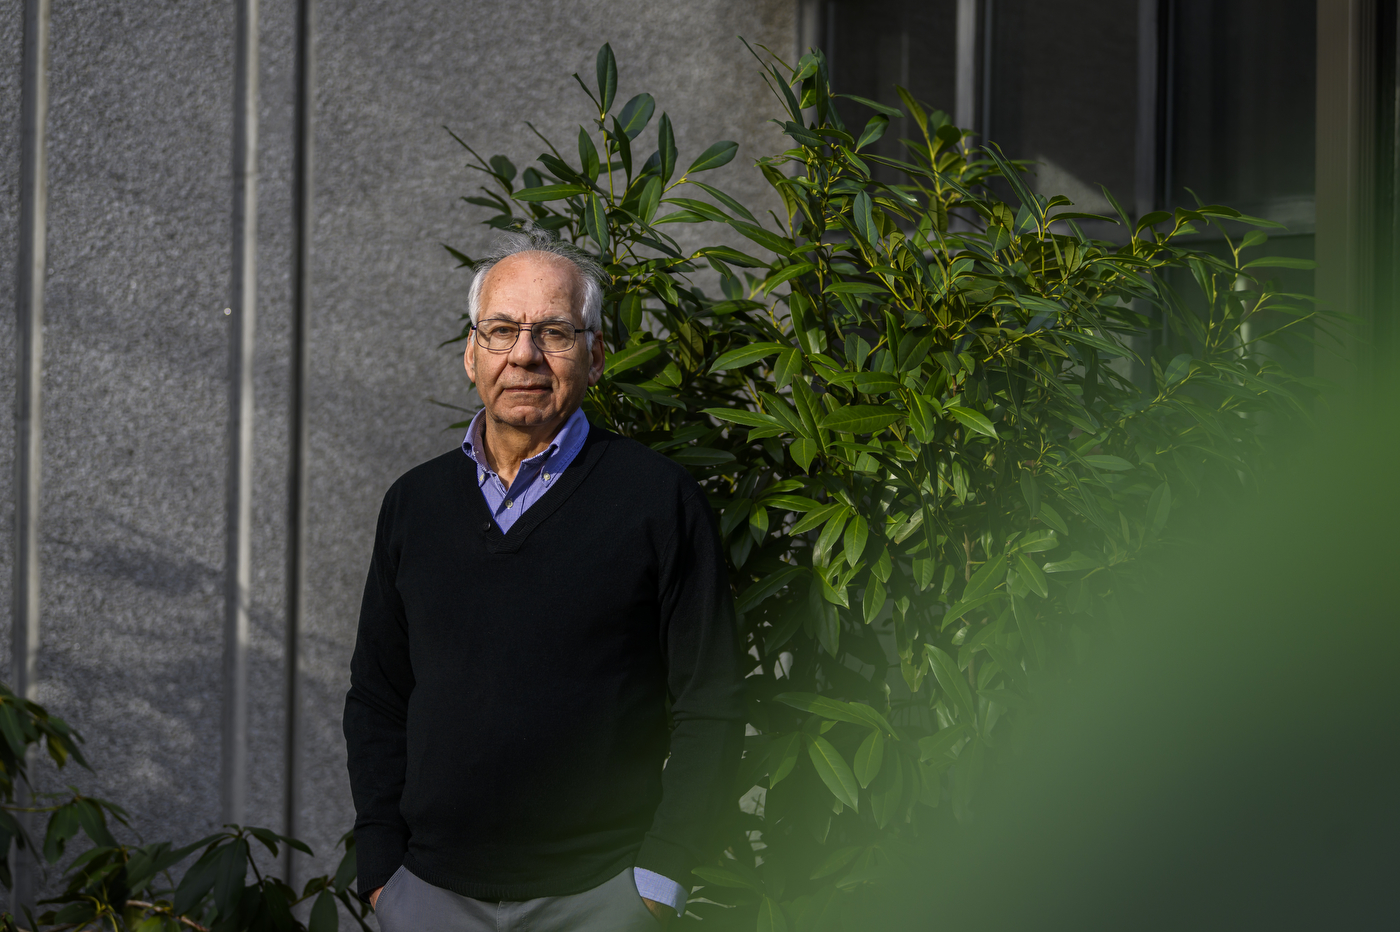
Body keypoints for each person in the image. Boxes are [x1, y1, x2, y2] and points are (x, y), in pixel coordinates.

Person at [342, 229, 746, 931]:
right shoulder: (414, 504)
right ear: (472, 354)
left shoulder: (658, 501)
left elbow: (711, 701)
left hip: (601, 898)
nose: (524, 354)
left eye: (554, 332)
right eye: (502, 330)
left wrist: (661, 878)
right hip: (428, 898)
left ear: (595, 357)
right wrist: (381, 870)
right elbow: (378, 697)